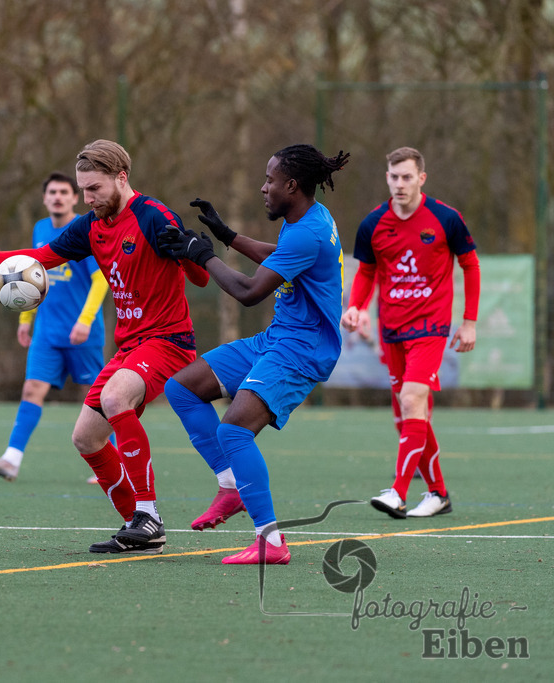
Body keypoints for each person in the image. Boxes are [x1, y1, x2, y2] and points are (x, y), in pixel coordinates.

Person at [0, 140, 209, 554]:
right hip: (130, 345)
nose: (87, 198)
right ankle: (135, 526)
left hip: (169, 341)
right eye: (83, 189)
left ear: (122, 178)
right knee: (85, 438)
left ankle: (148, 514)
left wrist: (190, 254)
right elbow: (39, 258)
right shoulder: (91, 226)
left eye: (95, 189)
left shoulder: (154, 217)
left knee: (117, 397)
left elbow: (201, 280)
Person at [160, 144, 349, 565]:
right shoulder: (307, 217)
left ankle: (272, 542)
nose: (263, 188)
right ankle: (231, 486)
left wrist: (204, 256)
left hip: (302, 350)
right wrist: (227, 237)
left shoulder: (306, 231)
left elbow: (248, 293)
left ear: (292, 185)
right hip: (279, 338)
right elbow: (279, 257)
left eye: (270, 181)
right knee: (183, 388)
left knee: (233, 432)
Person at [341, 146, 479, 519]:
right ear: (386, 177)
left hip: (431, 327)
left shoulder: (446, 218)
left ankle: (398, 492)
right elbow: (367, 271)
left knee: (413, 399)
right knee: (407, 416)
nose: (399, 184)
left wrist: (469, 321)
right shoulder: (373, 223)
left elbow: (470, 265)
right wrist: (356, 306)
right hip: (392, 329)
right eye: (393, 176)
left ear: (421, 178)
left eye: (407, 177)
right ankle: (438, 494)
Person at [0, 172, 109, 482]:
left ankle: (117, 463)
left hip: (81, 333)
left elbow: (100, 279)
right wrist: (25, 319)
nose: (58, 197)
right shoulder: (40, 229)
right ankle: (11, 459)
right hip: (46, 333)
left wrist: (85, 321)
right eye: (52, 192)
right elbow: (28, 276)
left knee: (100, 398)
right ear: (45, 198)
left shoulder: (84, 229)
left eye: (64, 192)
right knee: (32, 389)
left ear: (75, 198)